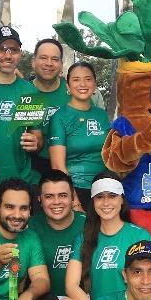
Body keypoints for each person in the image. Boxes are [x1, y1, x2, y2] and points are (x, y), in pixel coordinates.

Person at [0, 26, 43, 186]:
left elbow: (37, 136)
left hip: (20, 180)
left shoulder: (30, 91)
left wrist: (35, 142)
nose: (8, 55)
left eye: (14, 49)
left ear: (20, 53)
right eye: (1, 49)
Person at [27, 169, 82, 300]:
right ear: (39, 199)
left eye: (62, 195)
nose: (56, 202)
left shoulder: (88, 225)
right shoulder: (29, 226)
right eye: (49, 196)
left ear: (72, 196)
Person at [47, 61, 109, 211]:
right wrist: (75, 202)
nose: (83, 84)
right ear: (68, 87)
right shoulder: (60, 117)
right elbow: (57, 166)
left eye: (88, 79)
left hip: (103, 189)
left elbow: (110, 153)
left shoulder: (101, 115)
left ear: (95, 85)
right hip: (76, 189)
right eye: (76, 80)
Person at [28, 37, 69, 177]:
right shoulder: (22, 92)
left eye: (55, 59)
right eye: (43, 58)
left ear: (61, 64)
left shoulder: (73, 91)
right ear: (33, 62)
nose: (49, 64)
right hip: (31, 168)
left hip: (69, 165)